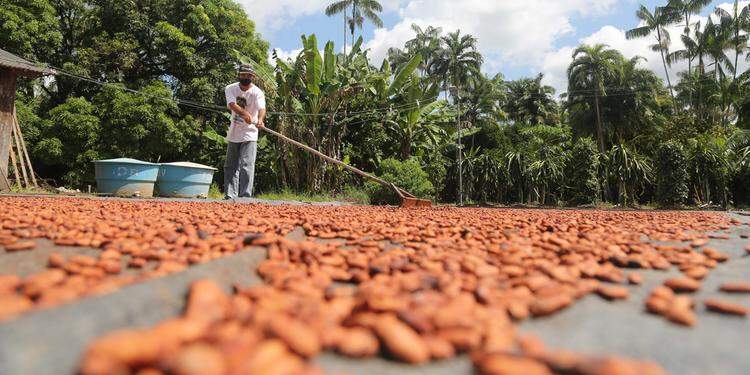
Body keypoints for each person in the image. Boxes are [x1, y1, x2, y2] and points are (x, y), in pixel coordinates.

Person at [224, 64, 266, 199]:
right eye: (243, 75)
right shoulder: (230, 88)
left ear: (252, 77)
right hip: (234, 132)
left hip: (250, 133)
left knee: (247, 165)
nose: (245, 77)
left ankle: (245, 197)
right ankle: (230, 196)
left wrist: (260, 120)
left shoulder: (257, 92)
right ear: (239, 75)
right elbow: (232, 104)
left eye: (248, 75)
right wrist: (244, 114)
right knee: (231, 166)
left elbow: (262, 108)